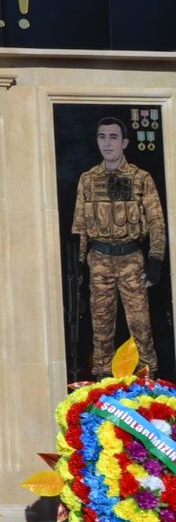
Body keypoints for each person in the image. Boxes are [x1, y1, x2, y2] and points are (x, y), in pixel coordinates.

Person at [72, 116, 166, 376]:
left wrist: (156, 259)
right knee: (100, 331)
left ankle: (150, 384)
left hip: (132, 261)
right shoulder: (88, 179)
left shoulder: (140, 178)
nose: (107, 143)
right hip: (99, 260)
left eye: (113, 137)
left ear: (124, 142)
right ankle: (102, 385)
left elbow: (156, 221)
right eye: (102, 137)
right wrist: (79, 267)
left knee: (141, 327)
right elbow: (80, 226)